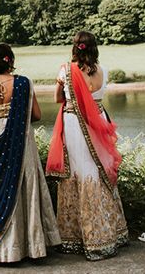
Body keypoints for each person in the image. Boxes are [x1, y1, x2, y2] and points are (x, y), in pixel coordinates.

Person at [0, 44, 60, 263]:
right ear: (10, 61)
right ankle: (28, 248)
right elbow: (36, 115)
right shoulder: (24, 83)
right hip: (21, 140)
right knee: (23, 187)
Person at [46, 31, 128, 260]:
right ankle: (110, 234)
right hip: (98, 122)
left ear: (75, 47)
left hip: (75, 124)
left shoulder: (66, 70)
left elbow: (57, 100)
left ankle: (75, 237)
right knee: (98, 172)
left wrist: (61, 83)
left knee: (77, 174)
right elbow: (97, 98)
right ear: (94, 47)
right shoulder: (104, 70)